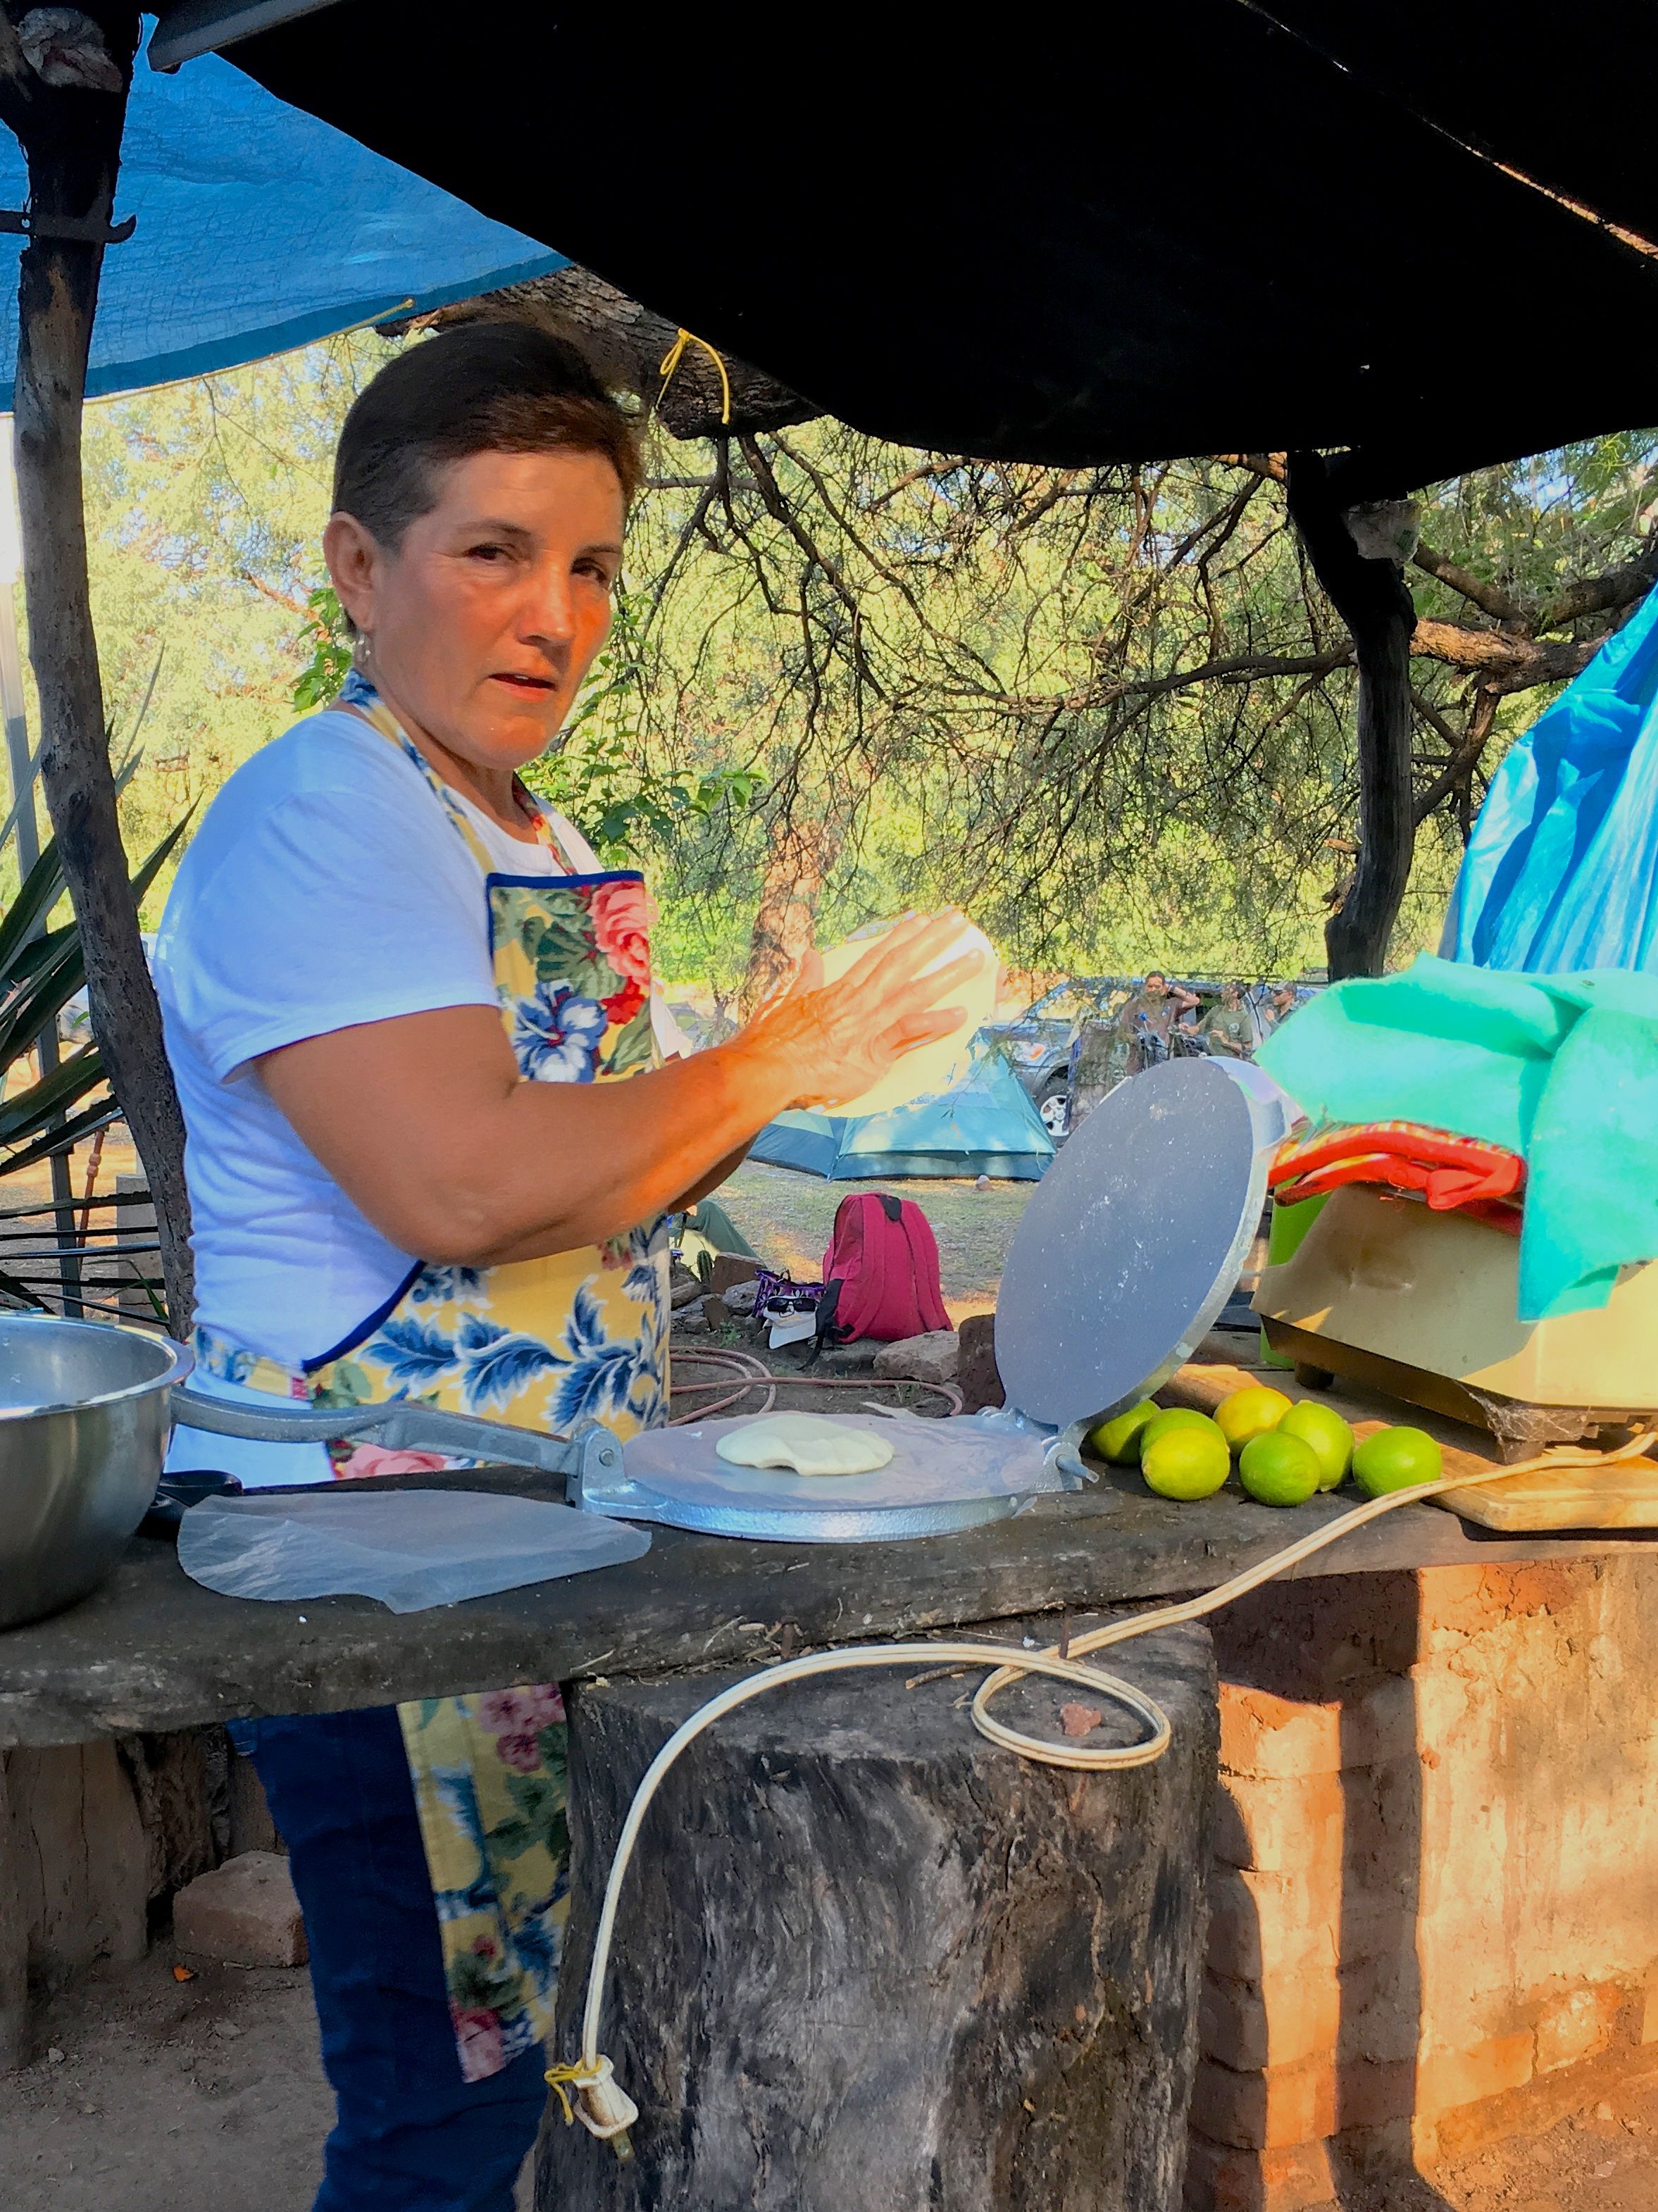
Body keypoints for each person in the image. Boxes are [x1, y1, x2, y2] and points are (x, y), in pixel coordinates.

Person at [153, 323, 980, 2212]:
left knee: (531, 2063)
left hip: (522, 1527)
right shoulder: (327, 810)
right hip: (375, 1559)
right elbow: (457, 1183)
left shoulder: (535, 826)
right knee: (436, 2108)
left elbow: (610, 1165)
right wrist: (774, 1052)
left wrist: (811, 1061)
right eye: (492, 550)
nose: (554, 613)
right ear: (362, 570)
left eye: (593, 562)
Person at [1116, 970, 1199, 1073]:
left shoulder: (1171, 1005)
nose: (1153, 990)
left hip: (1163, 1061)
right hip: (1138, 1063)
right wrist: (1138, 1039)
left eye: (1157, 986)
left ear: (1164, 989)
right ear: (1145, 987)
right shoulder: (1133, 1006)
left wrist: (1170, 987)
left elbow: (1194, 1001)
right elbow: (1121, 1034)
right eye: (1150, 986)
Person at [1203, 981, 1255, 1058]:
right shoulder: (1216, 1011)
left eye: (1226, 990)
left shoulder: (1243, 1017)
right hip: (1212, 1060)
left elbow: (1248, 1048)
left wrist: (1227, 1042)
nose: (1221, 992)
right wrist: (1186, 1029)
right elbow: (1198, 1029)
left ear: (1235, 994)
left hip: (1230, 1063)